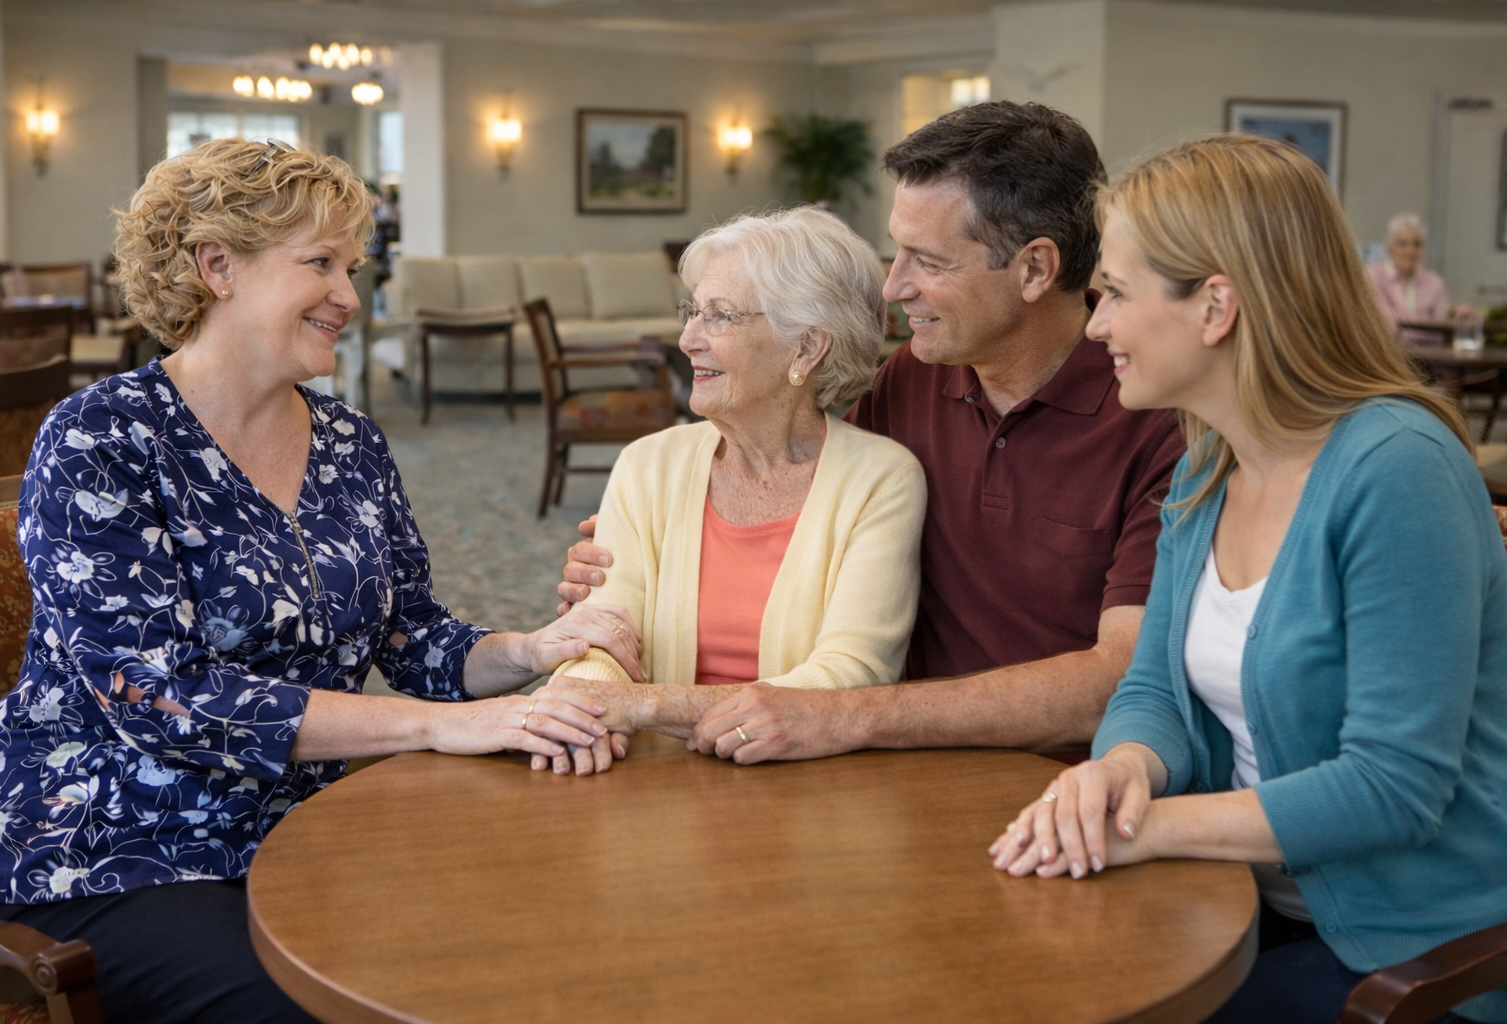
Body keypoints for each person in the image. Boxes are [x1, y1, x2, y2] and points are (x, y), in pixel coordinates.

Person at [0, 138, 642, 1024]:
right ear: (217, 266)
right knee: (338, 1004)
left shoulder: (351, 442)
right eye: (319, 264)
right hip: (116, 842)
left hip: (310, 823)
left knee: (533, 931)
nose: (349, 298)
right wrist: (450, 728)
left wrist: (530, 650)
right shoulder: (101, 437)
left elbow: (411, 637)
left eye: (352, 267)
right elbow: (158, 696)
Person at [990, 134, 1507, 1024]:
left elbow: (1393, 787)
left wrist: (1143, 829)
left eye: (1113, 292)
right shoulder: (1204, 466)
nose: (1096, 323)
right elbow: (1153, 684)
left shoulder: (1398, 470)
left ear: (1215, 306)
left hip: (1412, 958)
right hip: (1239, 909)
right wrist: (1120, 769)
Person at [559, 101, 1182, 763]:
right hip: (898, 771)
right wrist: (640, 545)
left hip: (1062, 779)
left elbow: (1118, 680)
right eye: (895, 251)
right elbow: (815, 498)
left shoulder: (1157, 420)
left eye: (928, 261)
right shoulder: (914, 376)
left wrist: (848, 714)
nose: (892, 287)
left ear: (1034, 269)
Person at [535, 206, 927, 774]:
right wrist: (580, 710)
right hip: (654, 781)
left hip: (810, 789)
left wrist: (642, 707)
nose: (688, 339)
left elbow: (847, 679)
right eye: (691, 312)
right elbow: (599, 637)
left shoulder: (881, 480)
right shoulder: (649, 464)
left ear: (806, 347)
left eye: (718, 317)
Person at [1366, 212, 1471, 342]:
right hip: (1389, 354)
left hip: (1432, 357)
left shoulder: (1434, 282)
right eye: (1403, 244)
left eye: (1417, 244)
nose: (1410, 251)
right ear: (1389, 248)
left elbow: (1442, 327)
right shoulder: (1373, 277)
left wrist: (1457, 317)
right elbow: (1385, 326)